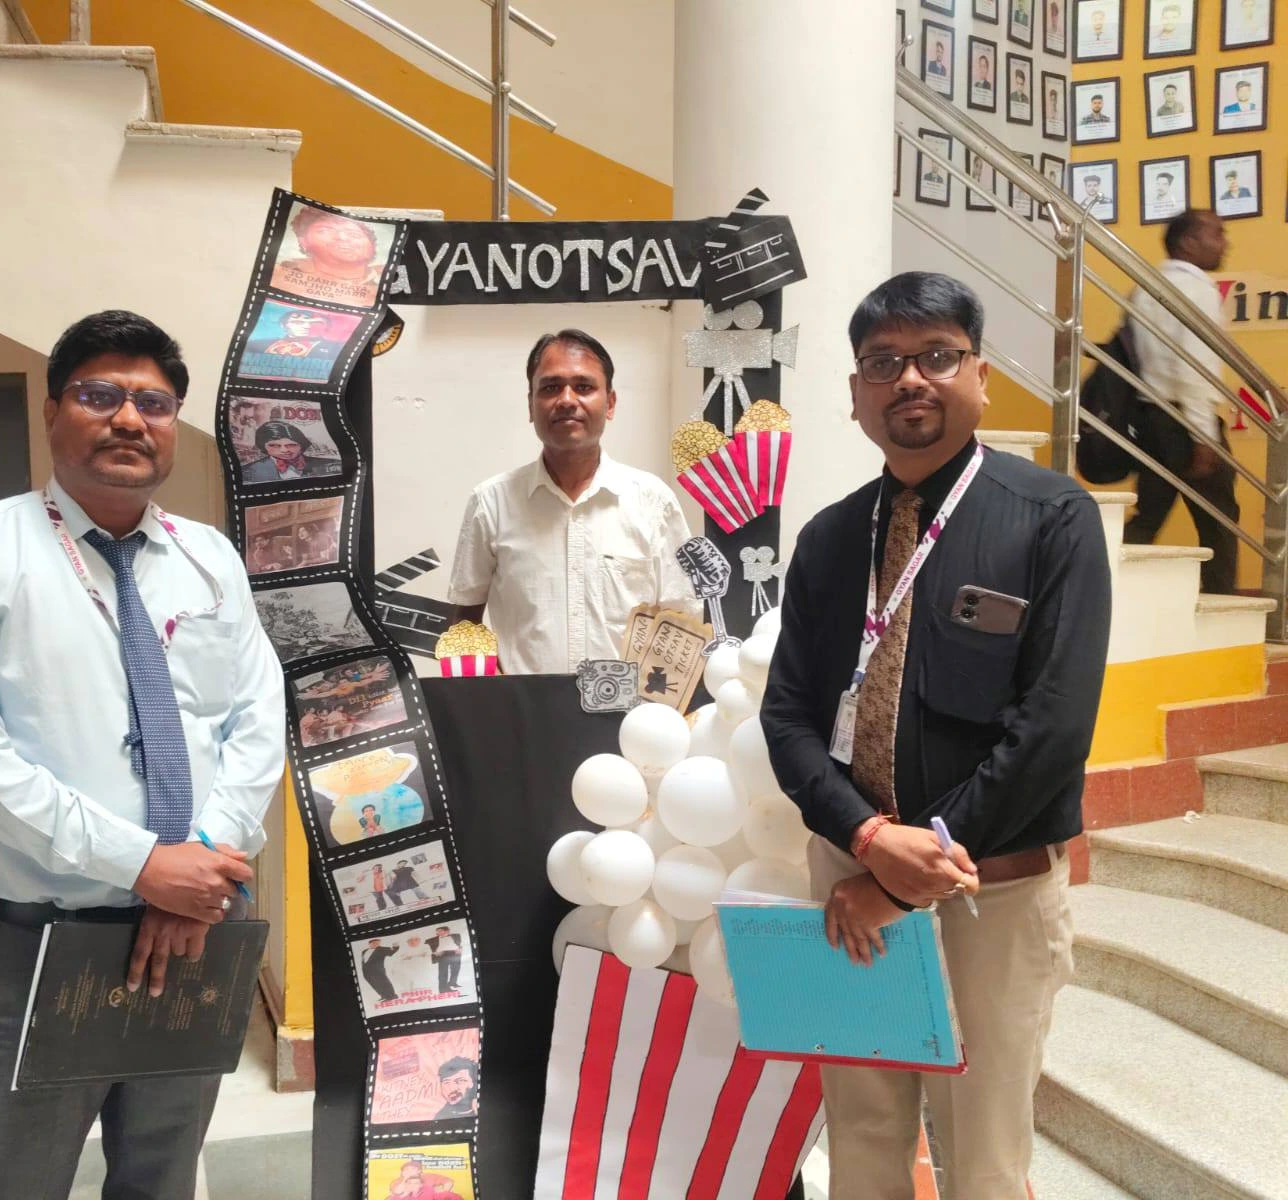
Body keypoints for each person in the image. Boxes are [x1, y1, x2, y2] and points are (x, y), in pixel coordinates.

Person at [0, 310, 285, 1200]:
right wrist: (145, 865)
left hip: (192, 935)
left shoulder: (209, 558)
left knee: (161, 1178)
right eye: (100, 395)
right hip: (35, 943)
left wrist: (200, 869)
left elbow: (256, 720)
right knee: (18, 1183)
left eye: (154, 402)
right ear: (52, 411)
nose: (129, 419)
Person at [761, 272, 1111, 1199]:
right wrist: (869, 843)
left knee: (983, 1159)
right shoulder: (829, 540)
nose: (909, 378)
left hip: (989, 894)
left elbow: (1053, 728)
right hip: (850, 881)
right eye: (883, 363)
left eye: (936, 356)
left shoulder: (1053, 519)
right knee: (862, 1137)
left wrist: (910, 877)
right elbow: (788, 716)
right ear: (855, 393)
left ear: (980, 376)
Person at [447, 330, 696, 674]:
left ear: (610, 403)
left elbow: (682, 624)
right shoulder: (491, 503)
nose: (566, 399)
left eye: (583, 387)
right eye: (550, 387)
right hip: (523, 706)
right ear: (531, 405)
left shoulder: (653, 503)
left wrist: (652, 704)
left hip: (631, 707)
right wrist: (498, 696)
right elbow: (463, 625)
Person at [1124, 210, 1240, 595]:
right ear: (1189, 242)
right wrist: (1203, 435)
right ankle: (1223, 608)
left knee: (1148, 519)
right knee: (1220, 521)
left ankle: (1102, 590)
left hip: (1150, 416)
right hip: (1185, 422)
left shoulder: (1146, 287)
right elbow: (1194, 366)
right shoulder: (1198, 289)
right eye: (1217, 234)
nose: (1225, 243)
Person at [269, 207, 384, 308]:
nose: (342, 237)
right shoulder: (276, 276)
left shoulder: (385, 285)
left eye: (354, 234)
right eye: (324, 231)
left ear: (372, 247)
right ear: (303, 242)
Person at [240, 419, 341, 484]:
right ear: (263, 446)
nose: (284, 450)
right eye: (274, 445)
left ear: (301, 445)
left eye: (291, 445)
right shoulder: (247, 472)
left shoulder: (332, 465)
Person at [427, 925, 464, 994]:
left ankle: (452, 983)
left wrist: (460, 949)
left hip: (455, 953)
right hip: (442, 955)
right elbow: (427, 948)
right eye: (437, 932)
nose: (438, 933)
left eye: (440, 931)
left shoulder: (456, 936)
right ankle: (443, 989)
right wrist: (435, 953)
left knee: (456, 969)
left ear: (447, 931)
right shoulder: (432, 940)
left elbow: (460, 944)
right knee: (443, 973)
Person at [362, 938, 400, 1003]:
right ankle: (384, 996)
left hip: (378, 970)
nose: (377, 944)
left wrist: (396, 946)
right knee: (375, 984)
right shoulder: (364, 951)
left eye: (378, 943)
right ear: (370, 944)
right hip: (367, 972)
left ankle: (392, 996)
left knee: (384, 983)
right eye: (375, 943)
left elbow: (391, 952)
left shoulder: (382, 949)